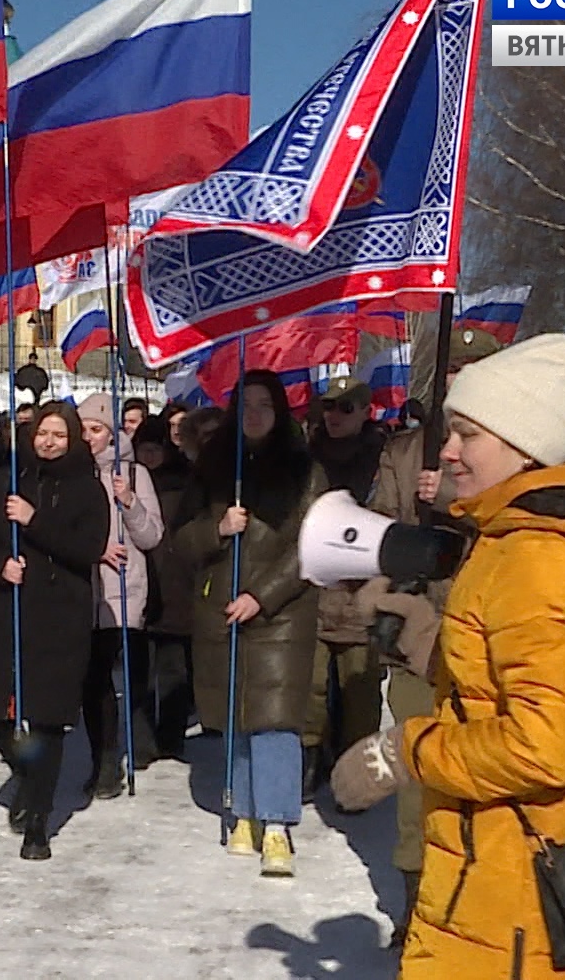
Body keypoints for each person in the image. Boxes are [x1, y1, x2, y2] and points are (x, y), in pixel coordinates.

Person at [331, 334, 565, 980]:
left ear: (524, 444)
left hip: (521, 898)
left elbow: (545, 745)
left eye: (468, 435)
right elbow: (525, 688)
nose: (448, 450)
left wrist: (405, 752)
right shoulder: (514, 544)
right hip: (502, 881)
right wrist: (431, 643)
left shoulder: (539, 561)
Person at [358, 326, 501, 947]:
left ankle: (482, 904)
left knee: (483, 780)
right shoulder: (407, 449)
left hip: (492, 643)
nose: (457, 382)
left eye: (471, 370)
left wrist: (454, 498)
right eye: (450, 371)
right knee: (418, 777)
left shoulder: (513, 457)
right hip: (422, 641)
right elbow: (378, 538)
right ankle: (418, 906)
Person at [170, 371, 321, 878]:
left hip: (281, 614)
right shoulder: (214, 469)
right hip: (221, 606)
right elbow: (180, 543)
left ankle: (277, 824)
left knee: (274, 720)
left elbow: (310, 546)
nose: (255, 414)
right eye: (247, 405)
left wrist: (263, 594)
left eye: (265, 404)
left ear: (280, 412)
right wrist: (217, 529)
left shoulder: (305, 471)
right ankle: (244, 812)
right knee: (234, 712)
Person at [0, 401, 111, 861]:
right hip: (7, 610)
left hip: (58, 617)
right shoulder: (8, 480)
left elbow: (88, 548)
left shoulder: (88, 488)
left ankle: (40, 822)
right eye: (42, 433)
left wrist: (34, 521)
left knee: (47, 721)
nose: (48, 442)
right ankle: (28, 778)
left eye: (58, 435)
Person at [303, 375, 391, 798]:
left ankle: (356, 776)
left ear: (364, 412)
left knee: (359, 693)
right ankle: (309, 763)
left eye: (345, 409)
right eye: (328, 408)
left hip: (362, 592)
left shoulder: (381, 458)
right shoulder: (306, 456)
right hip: (314, 590)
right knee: (310, 688)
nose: (333, 417)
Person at [77, 399, 164, 799]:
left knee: (119, 676)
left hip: (121, 591)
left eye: (96, 429)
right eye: (82, 429)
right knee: (91, 683)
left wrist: (129, 501)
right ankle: (101, 760)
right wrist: (94, 548)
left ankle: (118, 756)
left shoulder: (134, 473)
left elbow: (151, 537)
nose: (88, 438)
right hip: (81, 591)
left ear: (113, 432)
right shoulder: (72, 472)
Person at [132, 415, 196, 766]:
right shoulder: (127, 481)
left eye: (156, 449)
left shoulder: (184, 480)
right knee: (139, 669)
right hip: (141, 580)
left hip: (175, 581)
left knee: (173, 666)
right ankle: (142, 740)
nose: (150, 456)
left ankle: (171, 735)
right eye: (145, 449)